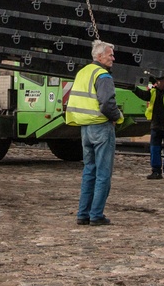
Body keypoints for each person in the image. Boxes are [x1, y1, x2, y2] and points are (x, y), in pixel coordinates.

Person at [66, 40, 123, 226]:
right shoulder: (103, 75)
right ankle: (96, 214)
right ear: (99, 56)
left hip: (85, 128)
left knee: (89, 171)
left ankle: (83, 214)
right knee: (103, 173)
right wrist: (117, 117)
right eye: (110, 54)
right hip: (101, 126)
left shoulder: (82, 72)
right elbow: (107, 103)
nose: (113, 58)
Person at [130, 69, 164, 179]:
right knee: (155, 149)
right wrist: (133, 88)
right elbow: (142, 95)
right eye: (160, 81)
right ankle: (156, 171)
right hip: (156, 125)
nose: (161, 83)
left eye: (163, 81)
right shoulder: (153, 92)